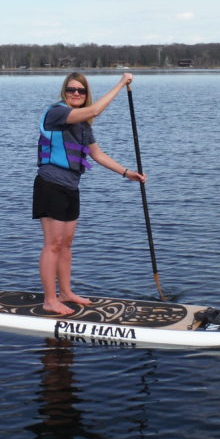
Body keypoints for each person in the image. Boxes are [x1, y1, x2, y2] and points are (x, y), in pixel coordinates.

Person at [33, 72, 146, 315]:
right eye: (72, 89)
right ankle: (49, 300)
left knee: (65, 245)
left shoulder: (82, 125)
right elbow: (95, 111)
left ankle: (65, 292)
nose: (76, 93)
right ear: (65, 92)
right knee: (52, 244)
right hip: (50, 185)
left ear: (86, 94)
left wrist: (127, 173)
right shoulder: (57, 113)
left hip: (71, 188)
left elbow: (97, 154)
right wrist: (120, 84)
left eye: (81, 91)